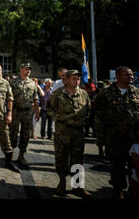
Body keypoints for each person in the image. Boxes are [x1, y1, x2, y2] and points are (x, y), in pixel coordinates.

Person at [94, 66, 139, 199]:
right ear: (118, 76)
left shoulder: (138, 93)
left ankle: (134, 190)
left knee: (135, 166)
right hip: (114, 138)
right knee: (117, 166)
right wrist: (100, 138)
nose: (131, 77)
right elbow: (98, 116)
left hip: (134, 138)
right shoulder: (106, 93)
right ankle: (118, 190)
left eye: (131, 75)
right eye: (127, 75)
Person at [48, 70, 92, 198]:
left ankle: (77, 187)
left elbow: (88, 111)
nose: (77, 81)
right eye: (74, 78)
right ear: (66, 80)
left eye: (78, 78)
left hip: (78, 132)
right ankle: (62, 183)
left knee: (77, 159)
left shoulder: (84, 94)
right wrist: (61, 118)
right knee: (61, 158)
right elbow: (50, 109)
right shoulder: (57, 94)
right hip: (63, 131)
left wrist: (81, 121)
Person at [9, 62, 40, 169]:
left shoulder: (32, 83)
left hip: (27, 112)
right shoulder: (13, 82)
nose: (28, 71)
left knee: (25, 135)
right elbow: (9, 98)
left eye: (29, 69)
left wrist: (37, 111)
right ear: (21, 69)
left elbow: (35, 98)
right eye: (26, 69)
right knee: (13, 133)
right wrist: (8, 112)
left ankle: (21, 156)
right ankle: (10, 156)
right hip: (16, 111)